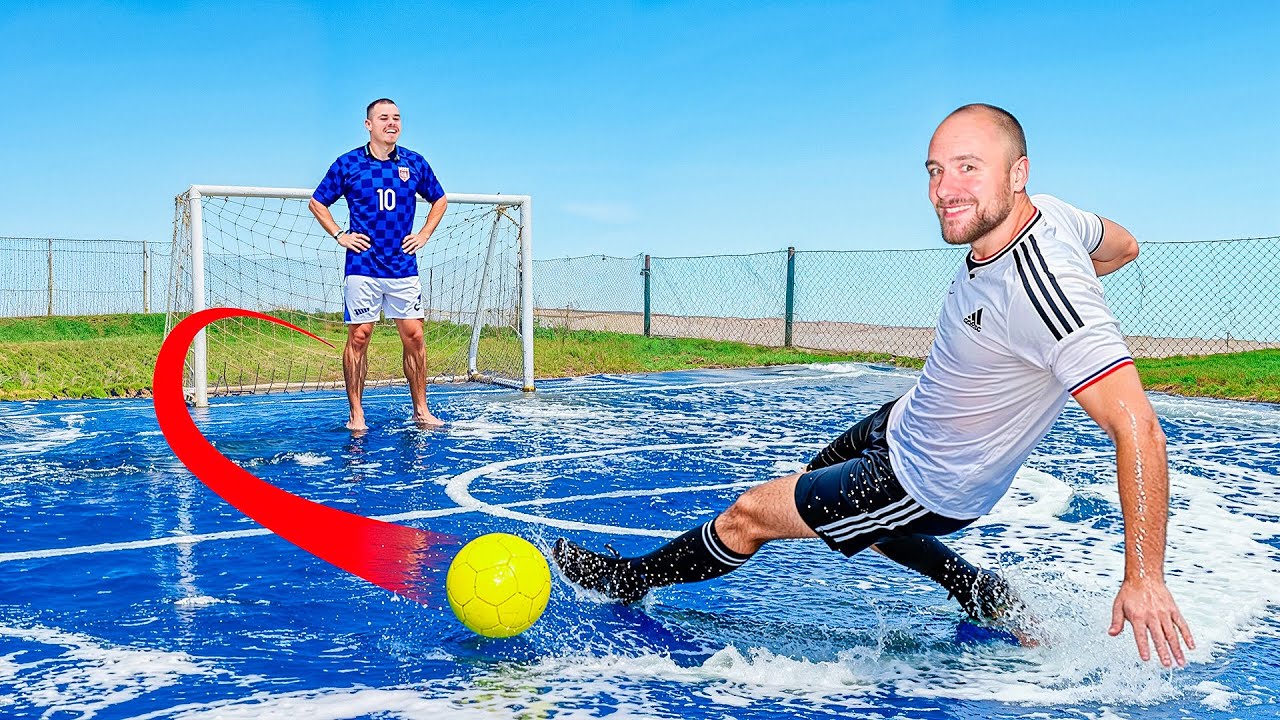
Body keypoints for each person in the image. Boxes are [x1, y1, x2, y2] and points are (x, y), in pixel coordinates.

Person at [554, 103, 1197, 668]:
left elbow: (1136, 426)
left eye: (968, 167)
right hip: (907, 421)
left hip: (931, 479)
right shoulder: (1053, 215)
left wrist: (1144, 577)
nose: (945, 189)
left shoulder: (1041, 287)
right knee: (818, 474)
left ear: (1018, 173)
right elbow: (1126, 245)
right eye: (935, 170)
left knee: (750, 515)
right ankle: (980, 591)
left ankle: (627, 580)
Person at [309, 98, 448, 431]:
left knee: (414, 336)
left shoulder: (415, 163)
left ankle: (421, 410)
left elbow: (440, 198)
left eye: (397, 118)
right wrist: (340, 234)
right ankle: (356, 413)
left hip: (402, 265)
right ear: (368, 124)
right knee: (359, 336)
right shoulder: (349, 163)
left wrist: (425, 233)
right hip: (363, 265)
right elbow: (317, 202)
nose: (392, 123)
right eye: (383, 118)